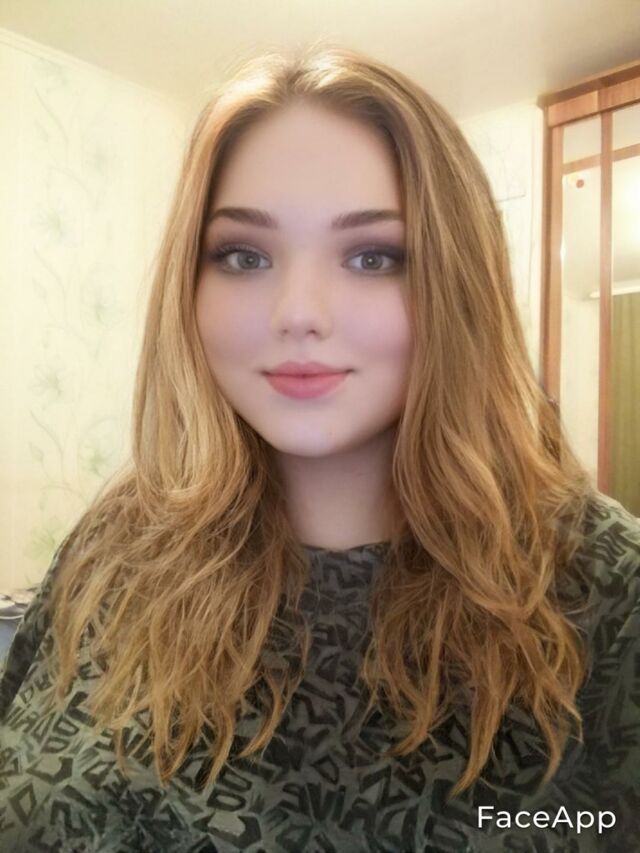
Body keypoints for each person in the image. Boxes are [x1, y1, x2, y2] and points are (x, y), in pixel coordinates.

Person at [0, 42, 638, 853]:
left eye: (373, 257)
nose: (298, 312)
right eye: (244, 255)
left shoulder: (604, 586)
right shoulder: (115, 538)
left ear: (457, 283)